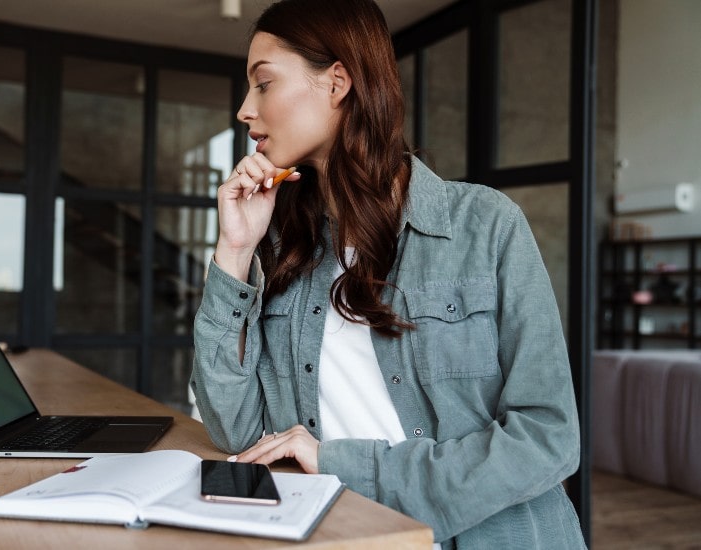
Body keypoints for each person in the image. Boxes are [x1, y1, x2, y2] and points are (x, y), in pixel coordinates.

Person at [190, 0, 587, 547]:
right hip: (342, 534)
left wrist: (344, 463)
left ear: (337, 83)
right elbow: (233, 430)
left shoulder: (486, 226)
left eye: (263, 84)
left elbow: (549, 440)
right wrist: (234, 252)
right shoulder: (283, 243)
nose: (244, 110)